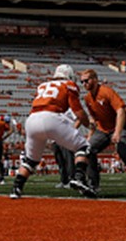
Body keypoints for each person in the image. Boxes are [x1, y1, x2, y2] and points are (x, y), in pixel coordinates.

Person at [10, 64, 95, 200]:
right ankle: (79, 178)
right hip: (52, 118)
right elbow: (78, 111)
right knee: (83, 147)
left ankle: (16, 188)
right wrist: (89, 125)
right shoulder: (68, 85)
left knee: (31, 160)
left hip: (32, 120)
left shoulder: (42, 86)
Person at [78, 68, 126, 196]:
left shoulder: (106, 92)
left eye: (86, 81)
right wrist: (90, 136)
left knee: (124, 153)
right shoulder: (87, 98)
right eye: (81, 82)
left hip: (122, 127)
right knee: (88, 149)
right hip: (103, 129)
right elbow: (94, 119)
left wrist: (117, 132)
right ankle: (93, 185)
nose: (84, 84)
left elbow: (120, 110)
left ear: (95, 79)